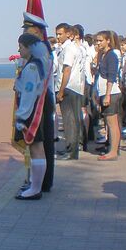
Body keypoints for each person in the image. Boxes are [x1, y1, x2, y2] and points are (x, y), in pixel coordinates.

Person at [21, 12, 56, 192]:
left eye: (28, 29)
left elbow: (35, 76)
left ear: (36, 30)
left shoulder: (40, 48)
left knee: (40, 144)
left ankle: (40, 183)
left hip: (39, 100)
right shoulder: (43, 47)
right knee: (41, 144)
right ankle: (39, 182)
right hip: (41, 97)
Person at [13, 33, 49, 200]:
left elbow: (28, 93)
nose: (19, 49)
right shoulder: (39, 63)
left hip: (30, 111)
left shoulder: (31, 68)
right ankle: (36, 186)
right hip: (37, 109)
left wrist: (20, 117)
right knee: (37, 149)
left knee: (35, 149)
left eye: (21, 46)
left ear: (28, 48)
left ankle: (35, 188)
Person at [55, 24, 86, 160]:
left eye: (60, 34)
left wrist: (61, 91)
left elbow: (67, 70)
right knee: (72, 119)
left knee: (69, 120)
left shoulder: (69, 49)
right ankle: (70, 147)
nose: (57, 37)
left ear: (68, 34)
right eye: (56, 34)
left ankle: (72, 151)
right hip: (74, 87)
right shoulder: (73, 48)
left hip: (69, 87)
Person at [95, 31, 122, 161]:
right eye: (97, 41)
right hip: (103, 91)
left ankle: (113, 151)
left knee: (113, 123)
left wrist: (107, 95)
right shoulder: (103, 55)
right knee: (109, 122)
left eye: (100, 41)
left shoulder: (111, 55)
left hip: (111, 92)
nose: (98, 43)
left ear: (108, 41)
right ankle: (112, 148)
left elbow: (111, 76)